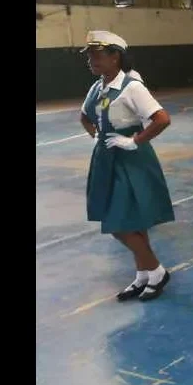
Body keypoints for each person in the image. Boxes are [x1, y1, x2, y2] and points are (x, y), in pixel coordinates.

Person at [78, 31, 174, 302]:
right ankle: (142, 274)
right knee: (132, 220)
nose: (91, 59)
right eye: (89, 55)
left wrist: (135, 141)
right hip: (106, 159)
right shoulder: (98, 87)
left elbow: (161, 119)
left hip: (131, 160)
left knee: (118, 222)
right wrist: (96, 134)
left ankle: (156, 271)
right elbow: (84, 116)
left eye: (97, 54)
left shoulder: (132, 87)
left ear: (115, 56)